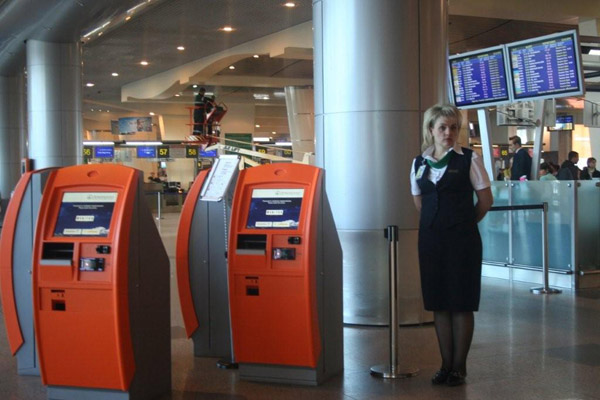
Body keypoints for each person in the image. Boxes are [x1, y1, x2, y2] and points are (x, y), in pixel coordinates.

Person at [410, 104, 493, 387]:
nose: (449, 133)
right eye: (443, 127)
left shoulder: (469, 159)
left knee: (461, 303)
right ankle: (445, 365)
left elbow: (485, 201)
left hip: (462, 241)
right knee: (439, 304)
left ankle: (459, 367)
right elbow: (420, 202)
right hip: (431, 241)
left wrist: (464, 223)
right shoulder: (419, 163)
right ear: (431, 130)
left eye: (454, 127)